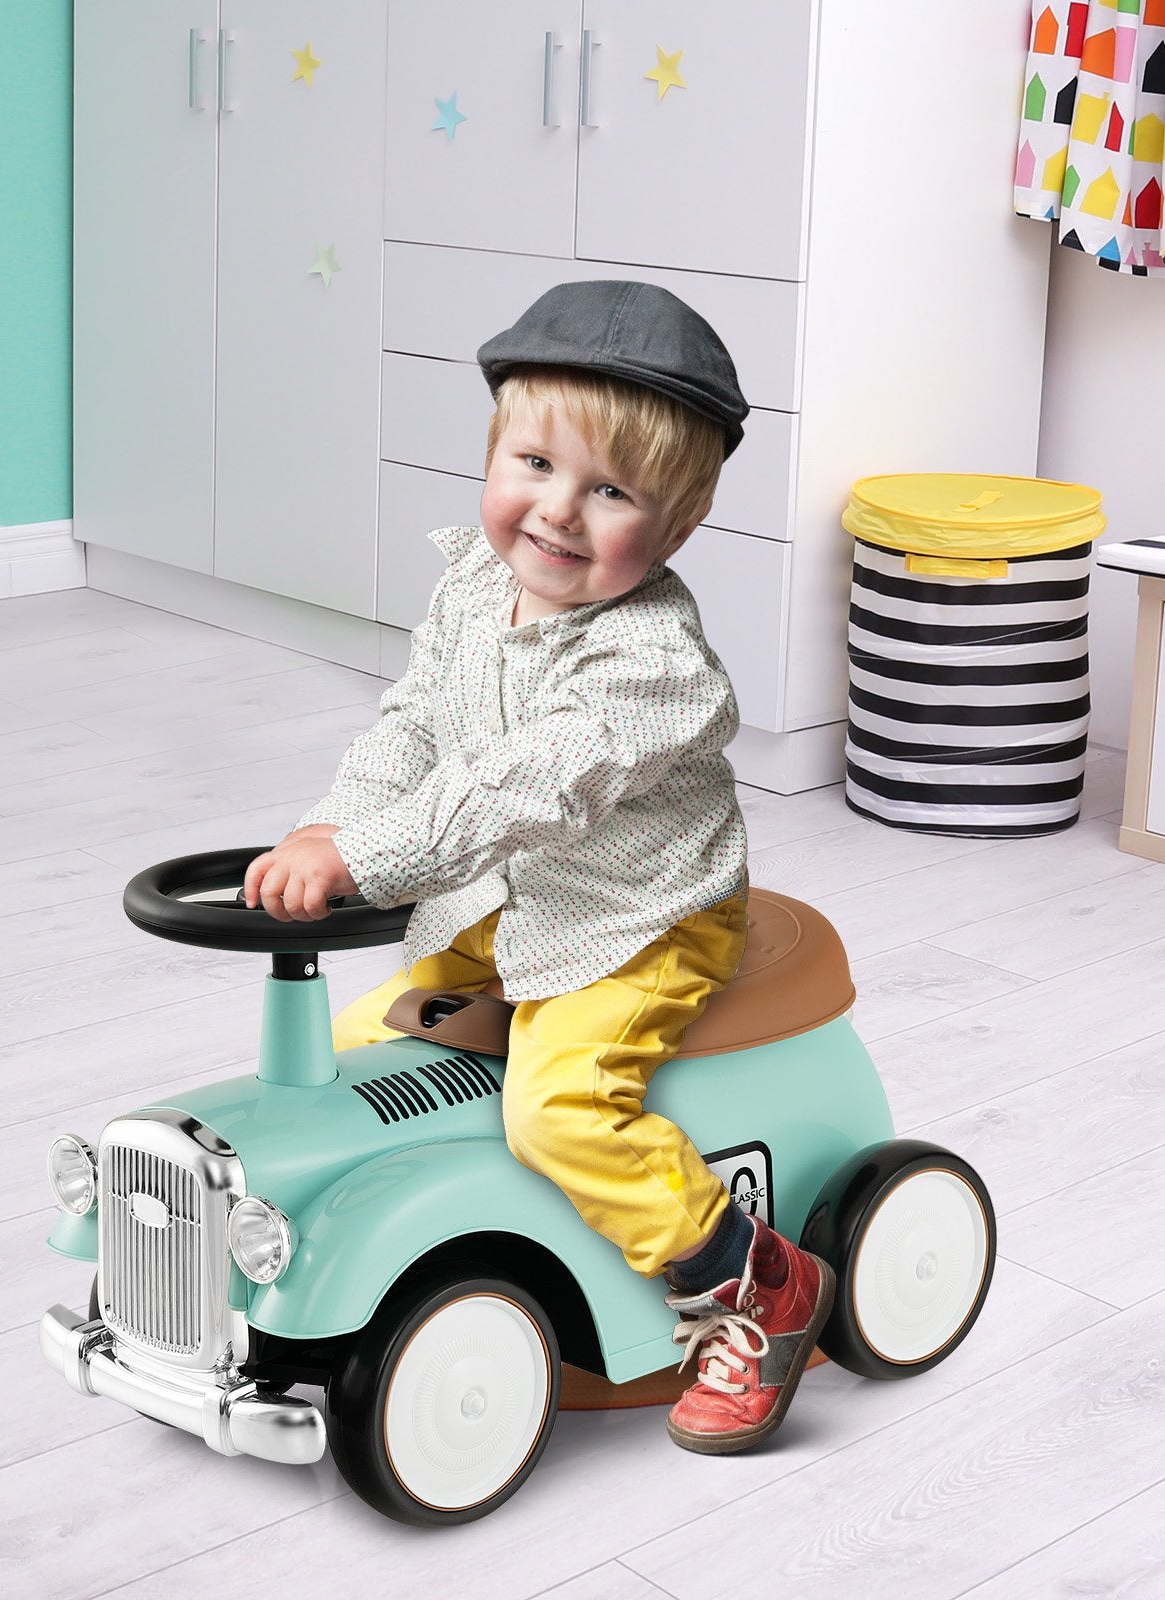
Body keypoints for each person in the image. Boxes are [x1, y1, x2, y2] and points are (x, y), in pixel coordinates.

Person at [243, 280, 834, 1454]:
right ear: (491, 453)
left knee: (561, 1108)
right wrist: (326, 830)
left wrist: (372, 854)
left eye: (611, 491)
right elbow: (412, 724)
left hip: (639, 918)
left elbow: (520, 783)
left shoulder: (650, 662)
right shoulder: (473, 585)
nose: (559, 513)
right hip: (516, 899)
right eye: (534, 464)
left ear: (673, 526)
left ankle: (752, 1286)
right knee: (371, 1039)